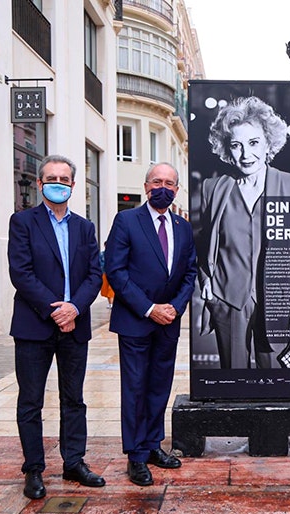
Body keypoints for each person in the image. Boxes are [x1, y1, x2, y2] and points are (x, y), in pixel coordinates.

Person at [8, 154, 105, 500]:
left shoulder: (84, 227)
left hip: (74, 327)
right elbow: (21, 273)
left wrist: (75, 307)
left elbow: (95, 274)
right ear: (38, 183)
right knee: (31, 401)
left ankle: (74, 462)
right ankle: (33, 470)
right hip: (35, 325)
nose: (58, 184)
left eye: (65, 179)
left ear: (74, 186)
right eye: (52, 178)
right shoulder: (22, 222)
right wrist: (56, 310)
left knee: (74, 399)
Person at [197, 95, 290, 370]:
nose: (246, 155)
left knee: (277, 379)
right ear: (227, 148)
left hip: (277, 299)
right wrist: (207, 283)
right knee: (233, 380)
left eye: (254, 143)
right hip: (228, 297)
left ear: (269, 142)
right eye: (236, 145)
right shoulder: (214, 188)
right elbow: (203, 242)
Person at [105, 162, 197, 486]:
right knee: (135, 389)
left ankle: (153, 444)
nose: (163, 187)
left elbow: (190, 272)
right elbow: (116, 271)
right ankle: (136, 456)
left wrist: (174, 306)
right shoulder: (126, 220)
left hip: (168, 322)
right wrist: (148, 308)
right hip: (136, 321)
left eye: (170, 183)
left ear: (176, 190)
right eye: (157, 181)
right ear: (146, 187)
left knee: (159, 386)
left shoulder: (183, 227)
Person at [99, 241, 115, 308]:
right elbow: (99, 264)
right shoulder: (102, 254)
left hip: (112, 273)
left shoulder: (113, 254)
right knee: (105, 289)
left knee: (111, 289)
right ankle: (110, 303)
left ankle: (111, 303)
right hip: (104, 273)